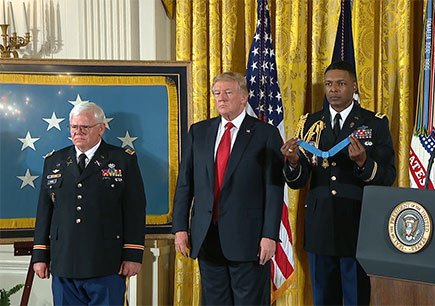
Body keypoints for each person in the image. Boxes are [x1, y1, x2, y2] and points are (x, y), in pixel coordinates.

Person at [281, 61, 396, 305]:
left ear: (354, 87)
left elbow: (388, 176)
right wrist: (292, 163)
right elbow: (298, 182)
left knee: (356, 297)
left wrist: (364, 163)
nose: (333, 89)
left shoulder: (373, 123)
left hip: (357, 224)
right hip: (319, 224)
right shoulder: (310, 123)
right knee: (323, 297)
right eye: (329, 84)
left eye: (341, 84)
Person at [172, 72, 284, 305]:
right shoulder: (199, 132)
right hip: (207, 237)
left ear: (243, 97)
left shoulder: (265, 134)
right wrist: (180, 228)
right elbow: (185, 184)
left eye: (228, 93)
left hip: (249, 240)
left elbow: (274, 190)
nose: (221, 98)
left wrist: (270, 235)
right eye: (217, 93)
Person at [32, 102, 146, 305]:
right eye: (74, 127)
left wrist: (133, 254)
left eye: (85, 127)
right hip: (64, 261)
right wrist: (40, 255)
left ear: (101, 128)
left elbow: (135, 211)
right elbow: (44, 211)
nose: (78, 132)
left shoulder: (122, 160)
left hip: (107, 262)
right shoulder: (54, 161)